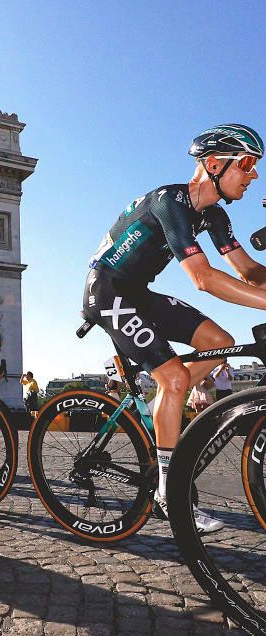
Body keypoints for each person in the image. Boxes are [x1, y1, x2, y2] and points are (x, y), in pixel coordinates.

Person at [83, 123, 264, 534]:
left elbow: (249, 271)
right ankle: (169, 491)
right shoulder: (171, 202)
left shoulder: (214, 215)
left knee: (220, 343)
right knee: (178, 378)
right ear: (214, 164)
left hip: (138, 293)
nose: (254, 175)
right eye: (248, 164)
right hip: (107, 291)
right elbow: (203, 278)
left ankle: (165, 395)